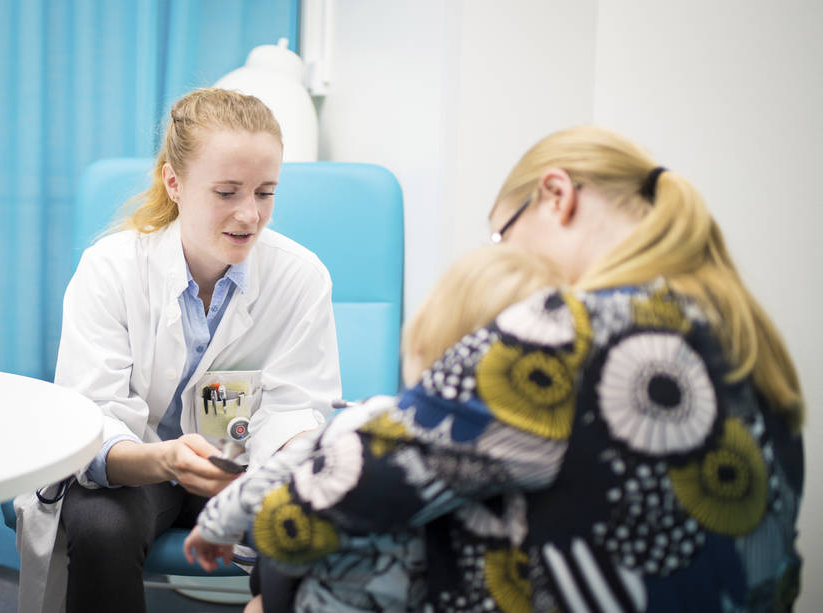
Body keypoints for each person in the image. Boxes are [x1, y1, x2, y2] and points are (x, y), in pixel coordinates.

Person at [184, 125, 804, 612]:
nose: (506, 266)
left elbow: (346, 486)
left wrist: (264, 563)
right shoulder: (745, 335)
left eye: (502, 238)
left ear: (556, 196)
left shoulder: (567, 332)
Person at [13, 88, 341, 613]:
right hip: (142, 470)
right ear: (175, 182)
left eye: (265, 193)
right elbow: (94, 416)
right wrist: (162, 458)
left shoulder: (300, 278)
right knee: (101, 524)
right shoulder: (112, 269)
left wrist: (259, 470)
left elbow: (297, 408)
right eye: (228, 192)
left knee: (300, 519)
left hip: (247, 470)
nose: (249, 215)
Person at [184, 243, 564, 612]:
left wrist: (216, 525)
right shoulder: (546, 453)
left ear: (426, 338)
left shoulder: (375, 424)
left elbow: (277, 474)